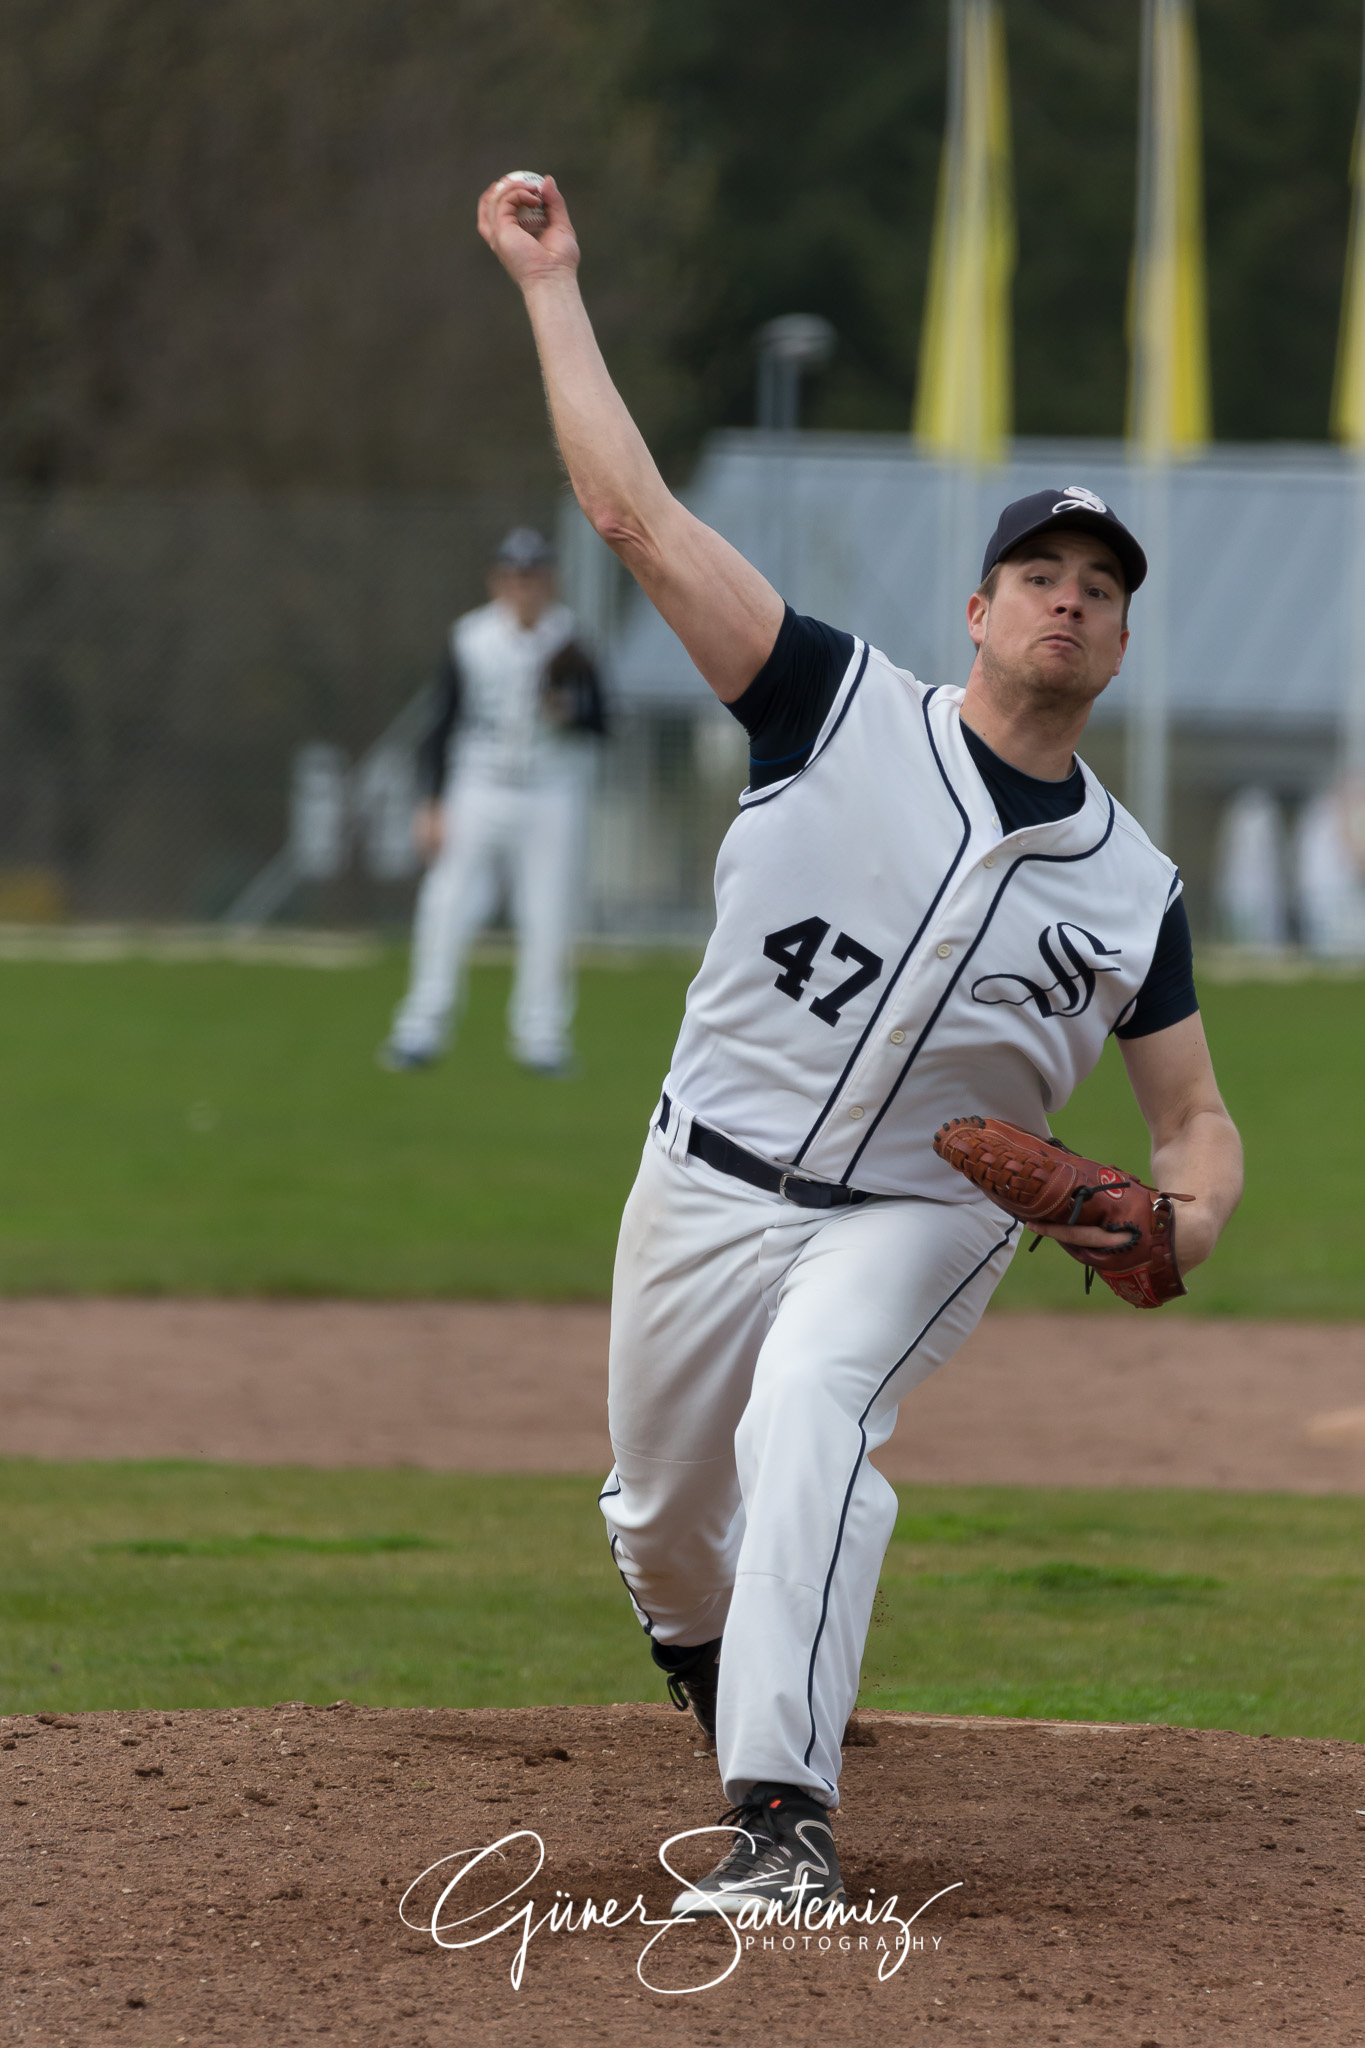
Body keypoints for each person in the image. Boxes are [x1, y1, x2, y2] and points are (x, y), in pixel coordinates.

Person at [477, 171, 1244, 1917]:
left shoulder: (1133, 889)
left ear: (1123, 643)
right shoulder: (827, 703)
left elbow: (1195, 1116)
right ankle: (724, 1661)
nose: (1067, 601)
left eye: (1099, 588)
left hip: (926, 1212)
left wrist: (1187, 1218)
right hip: (704, 1174)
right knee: (659, 1526)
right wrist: (551, 286)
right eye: (1037, 573)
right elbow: (633, 517)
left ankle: (782, 1821)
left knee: (813, 1409)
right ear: (976, 612)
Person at [380, 527, 607, 1076]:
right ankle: (421, 1027)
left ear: (550, 582)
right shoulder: (470, 638)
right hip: (478, 785)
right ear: (497, 581)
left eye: (533, 577)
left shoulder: (572, 641)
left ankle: (542, 1037)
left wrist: (569, 712)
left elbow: (603, 721)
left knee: (549, 911)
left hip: (550, 789)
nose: (524, 589)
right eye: (514, 577)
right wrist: (431, 801)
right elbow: (441, 721)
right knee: (447, 903)